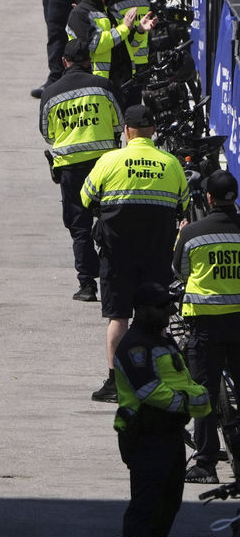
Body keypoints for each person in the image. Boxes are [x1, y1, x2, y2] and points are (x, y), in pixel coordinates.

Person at [81, 104, 189, 402]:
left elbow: (86, 197)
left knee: (118, 318)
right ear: (153, 130)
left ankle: (116, 383)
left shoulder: (110, 160)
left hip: (117, 255)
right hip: (156, 254)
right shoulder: (171, 163)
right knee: (156, 318)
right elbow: (183, 203)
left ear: (127, 132)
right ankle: (158, 378)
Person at [114, 283, 211, 537]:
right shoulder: (135, 345)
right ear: (141, 309)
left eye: (169, 305)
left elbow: (185, 381)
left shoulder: (163, 339)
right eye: (161, 306)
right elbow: (148, 390)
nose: (169, 311)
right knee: (144, 509)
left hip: (170, 435)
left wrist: (196, 399)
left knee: (167, 507)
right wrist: (187, 402)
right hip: (144, 436)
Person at [39, 39, 123, 302]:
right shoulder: (103, 86)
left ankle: (86, 284)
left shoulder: (50, 93)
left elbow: (47, 134)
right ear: (89, 61)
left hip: (70, 169)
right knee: (111, 219)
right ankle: (114, 275)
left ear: (64, 61)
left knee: (79, 226)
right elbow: (119, 124)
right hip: (105, 164)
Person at [173, 169, 240, 484]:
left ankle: (206, 465)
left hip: (206, 327)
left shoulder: (192, 234)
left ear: (209, 198)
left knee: (204, 395)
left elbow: (180, 271)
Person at [66, 0, 156, 104]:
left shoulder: (112, 11)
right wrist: (125, 28)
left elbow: (129, 46)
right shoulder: (79, 13)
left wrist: (139, 31)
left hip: (123, 84)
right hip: (96, 87)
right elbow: (95, 44)